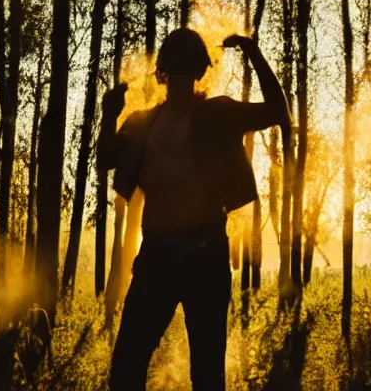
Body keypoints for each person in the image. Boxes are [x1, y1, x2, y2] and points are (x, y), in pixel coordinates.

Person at [98, 28, 292, 391]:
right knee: (126, 365)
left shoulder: (218, 114)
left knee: (206, 376)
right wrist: (110, 115)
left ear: (200, 70)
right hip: (156, 256)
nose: (182, 73)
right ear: (165, 70)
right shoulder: (143, 124)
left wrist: (254, 54)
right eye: (176, 64)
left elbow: (278, 112)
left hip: (205, 257)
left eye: (189, 64)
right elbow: (106, 159)